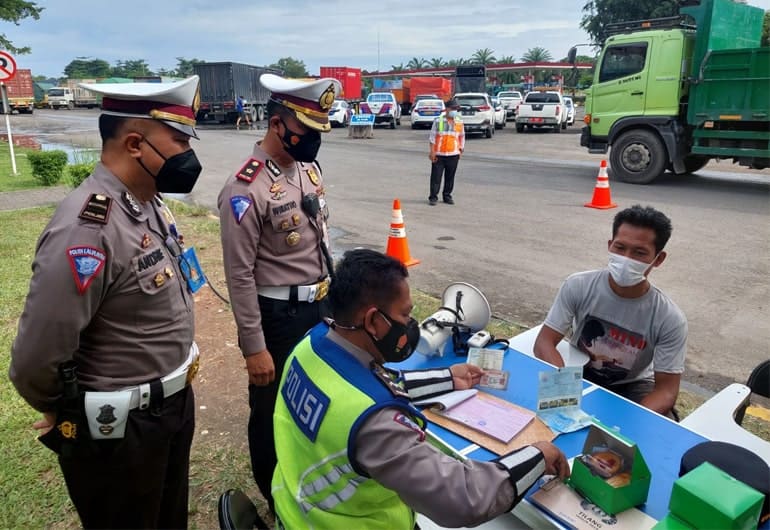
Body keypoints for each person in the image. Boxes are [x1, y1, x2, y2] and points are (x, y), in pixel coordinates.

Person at [9, 76, 204, 528]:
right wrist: (64, 408)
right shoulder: (88, 228)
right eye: (177, 141)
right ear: (136, 144)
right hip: (120, 430)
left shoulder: (148, 203)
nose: (188, 155)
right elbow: (37, 355)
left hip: (168, 410)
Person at [272, 249, 569, 528]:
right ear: (374, 321)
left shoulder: (313, 345)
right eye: (404, 315)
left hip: (292, 505)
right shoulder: (375, 425)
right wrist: (536, 456)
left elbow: (368, 387)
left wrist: (451, 379)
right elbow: (462, 497)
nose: (410, 325)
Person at [218, 73, 342, 512]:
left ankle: (308, 482)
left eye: (318, 132)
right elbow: (239, 275)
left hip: (319, 308)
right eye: (306, 130)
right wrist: (254, 346)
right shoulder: (244, 188)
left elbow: (320, 240)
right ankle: (276, 500)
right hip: (278, 318)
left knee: (316, 401)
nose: (313, 140)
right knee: (272, 411)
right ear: (277, 125)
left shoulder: (308, 169)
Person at [534, 205, 687, 418]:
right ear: (609, 245)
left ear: (658, 259)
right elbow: (544, 342)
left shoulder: (669, 318)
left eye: (639, 252)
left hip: (632, 385)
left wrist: (632, 421)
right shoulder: (578, 285)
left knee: (659, 426)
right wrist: (561, 386)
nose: (626, 258)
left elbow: (666, 390)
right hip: (579, 368)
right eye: (620, 248)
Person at [428, 98, 464, 205]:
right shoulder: (438, 121)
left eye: (456, 109)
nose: (455, 111)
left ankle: (447, 196)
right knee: (436, 177)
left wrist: (460, 150)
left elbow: (462, 137)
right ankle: (433, 197)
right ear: (447, 109)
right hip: (439, 154)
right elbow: (432, 137)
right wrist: (432, 151)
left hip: (453, 154)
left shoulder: (459, 121)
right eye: (453, 108)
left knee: (450, 177)